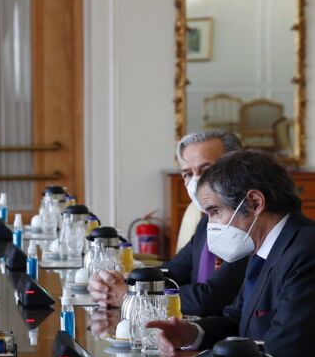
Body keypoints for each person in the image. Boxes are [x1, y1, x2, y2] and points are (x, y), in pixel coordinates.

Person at [148, 150, 315, 357]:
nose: (211, 225)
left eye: (215, 211)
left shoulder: (306, 252)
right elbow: (236, 322)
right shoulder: (263, 246)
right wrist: (192, 333)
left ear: (255, 203)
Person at [87, 130, 247, 316]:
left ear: (235, 170)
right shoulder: (206, 220)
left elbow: (210, 299)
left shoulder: (246, 223)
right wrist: (123, 283)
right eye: (188, 174)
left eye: (206, 171)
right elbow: (174, 271)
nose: (196, 181)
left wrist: (133, 296)